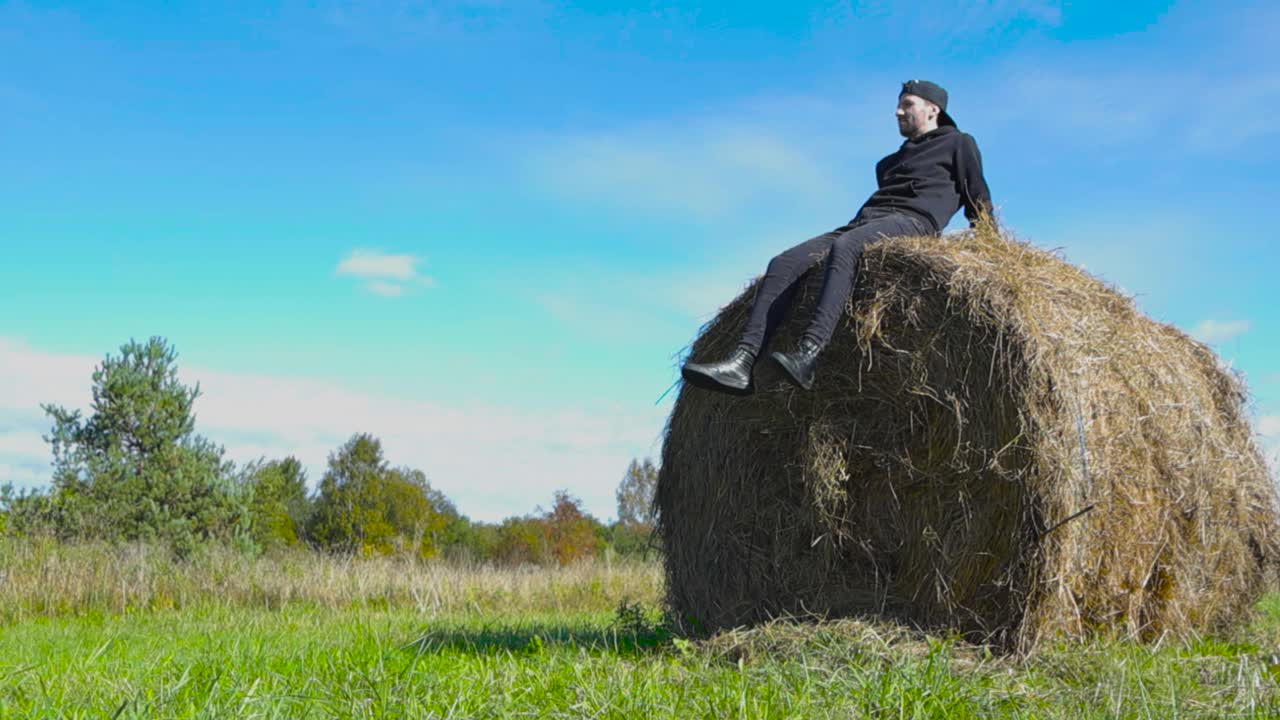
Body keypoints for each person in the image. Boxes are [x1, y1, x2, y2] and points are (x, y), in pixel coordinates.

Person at [681, 79, 992, 395]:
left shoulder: (958, 143)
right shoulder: (889, 164)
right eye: (899, 104)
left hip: (914, 222)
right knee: (784, 262)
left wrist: (988, 245)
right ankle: (742, 361)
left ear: (933, 109)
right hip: (863, 221)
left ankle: (809, 352)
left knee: (846, 248)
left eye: (907, 104)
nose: (897, 111)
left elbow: (977, 194)